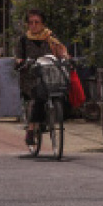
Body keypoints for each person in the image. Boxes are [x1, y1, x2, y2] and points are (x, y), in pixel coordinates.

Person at [15, 9, 68, 145]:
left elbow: (61, 50)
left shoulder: (50, 37)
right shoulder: (23, 40)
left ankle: (55, 116)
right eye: (31, 23)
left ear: (43, 24)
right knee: (38, 97)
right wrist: (21, 61)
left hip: (49, 75)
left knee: (62, 89)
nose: (33, 25)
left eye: (37, 22)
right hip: (30, 76)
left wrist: (65, 57)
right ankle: (31, 129)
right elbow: (18, 57)